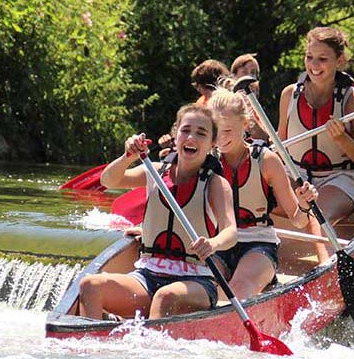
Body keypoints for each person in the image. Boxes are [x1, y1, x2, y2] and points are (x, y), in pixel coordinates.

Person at [81, 104, 238, 320]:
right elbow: (108, 180)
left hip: (196, 282)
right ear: (176, 135)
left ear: (212, 143)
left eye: (201, 133)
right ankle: (93, 345)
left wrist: (213, 243)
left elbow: (231, 232)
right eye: (185, 131)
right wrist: (128, 156)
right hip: (147, 276)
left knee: (166, 297)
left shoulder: (216, 184)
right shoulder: (154, 171)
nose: (191, 137)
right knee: (90, 285)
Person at [206, 86, 317, 299]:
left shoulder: (266, 161)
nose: (220, 139)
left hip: (258, 244)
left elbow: (298, 221)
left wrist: (304, 204)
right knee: (205, 290)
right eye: (215, 130)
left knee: (239, 289)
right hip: (218, 244)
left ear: (246, 125)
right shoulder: (205, 163)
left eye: (228, 131)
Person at [277, 27, 354, 224]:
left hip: (338, 179)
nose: (313, 65)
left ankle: (324, 251)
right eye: (309, 57)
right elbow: (281, 148)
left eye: (322, 59)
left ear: (339, 61)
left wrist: (342, 139)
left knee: (315, 214)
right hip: (296, 176)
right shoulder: (289, 95)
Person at [230, 53, 269, 142]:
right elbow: (260, 136)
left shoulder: (255, 105)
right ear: (234, 76)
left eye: (253, 73)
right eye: (244, 72)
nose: (249, 76)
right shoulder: (233, 102)